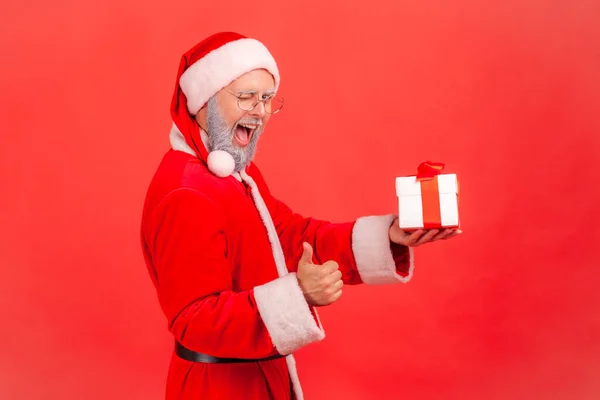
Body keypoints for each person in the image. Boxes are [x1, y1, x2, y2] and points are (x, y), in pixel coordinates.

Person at [140, 31, 461, 400]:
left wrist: (389, 235)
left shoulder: (234, 175)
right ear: (203, 101)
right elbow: (194, 318)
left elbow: (291, 236)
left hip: (262, 377)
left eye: (267, 99)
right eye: (247, 98)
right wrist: (298, 294)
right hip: (217, 389)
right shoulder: (186, 192)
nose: (260, 112)